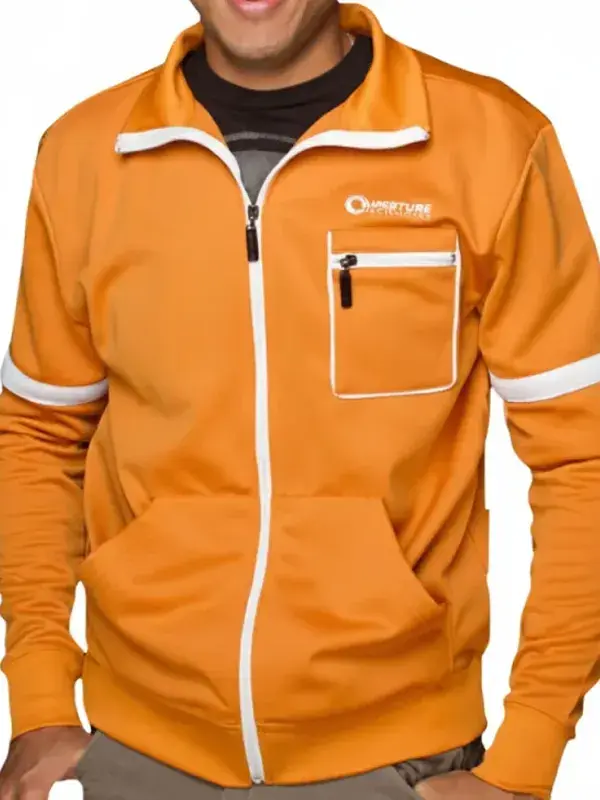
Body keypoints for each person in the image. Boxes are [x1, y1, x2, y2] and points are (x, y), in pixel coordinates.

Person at [0, 0, 598, 798]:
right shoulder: (83, 153)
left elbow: (583, 455)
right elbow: (39, 433)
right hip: (138, 752)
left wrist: (527, 757)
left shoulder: (490, 143)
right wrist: (39, 697)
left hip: (398, 763)